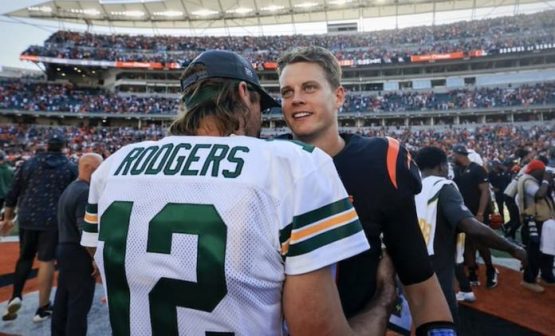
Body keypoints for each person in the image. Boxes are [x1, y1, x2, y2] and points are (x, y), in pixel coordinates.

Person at [80, 50, 396, 335]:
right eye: (260, 104)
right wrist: (383, 301)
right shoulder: (293, 164)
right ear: (245, 94)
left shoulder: (113, 167)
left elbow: (98, 262)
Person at [277, 46, 456, 335]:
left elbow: (419, 281)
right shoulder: (267, 162)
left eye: (309, 88)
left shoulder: (381, 162)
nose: (296, 99)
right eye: (287, 92)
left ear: (338, 96)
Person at [414, 146, 527, 325]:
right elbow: (472, 228)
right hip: (437, 269)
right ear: (442, 166)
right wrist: (513, 249)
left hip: (413, 266)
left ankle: (470, 283)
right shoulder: (441, 186)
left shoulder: (412, 187)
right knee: (443, 321)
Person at [1, 132, 77, 322]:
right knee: (47, 261)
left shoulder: (29, 163)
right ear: (63, 147)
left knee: (25, 257)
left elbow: (13, 192)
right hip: (52, 220)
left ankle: (16, 296)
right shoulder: (69, 166)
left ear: (46, 146)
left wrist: (7, 218)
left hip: (27, 217)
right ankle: (42, 308)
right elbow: (74, 193)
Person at [52, 153, 104, 336]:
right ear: (90, 168)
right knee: (78, 306)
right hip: (78, 253)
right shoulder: (84, 192)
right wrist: (95, 257)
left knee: (63, 300)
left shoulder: (70, 189)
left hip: (65, 249)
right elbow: (85, 231)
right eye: (100, 168)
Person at [452, 144, 498, 288]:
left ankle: (490, 270)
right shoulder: (458, 170)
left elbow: (485, 191)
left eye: (454, 155)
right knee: (467, 244)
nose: (452, 158)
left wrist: (480, 213)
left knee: (480, 243)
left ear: (460, 155)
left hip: (477, 213)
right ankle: (472, 271)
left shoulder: (477, 169)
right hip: (464, 213)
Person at [517, 159, 555, 292]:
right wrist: (546, 180)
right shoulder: (527, 181)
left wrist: (549, 182)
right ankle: (529, 279)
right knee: (533, 252)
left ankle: (546, 275)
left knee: (547, 250)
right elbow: (539, 194)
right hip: (533, 221)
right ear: (536, 171)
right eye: (542, 171)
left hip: (544, 222)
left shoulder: (535, 180)